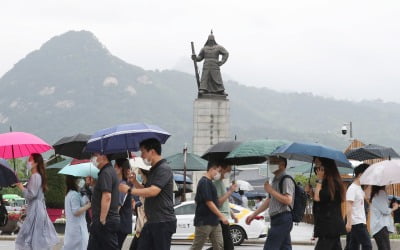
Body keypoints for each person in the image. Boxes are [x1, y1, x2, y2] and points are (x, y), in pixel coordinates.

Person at [120, 138, 176, 250]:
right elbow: (146, 190)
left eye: (143, 152)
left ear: (152, 151)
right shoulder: (154, 170)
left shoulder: (163, 169)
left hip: (162, 221)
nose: (142, 156)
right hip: (151, 221)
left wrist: (129, 190)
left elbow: (153, 191)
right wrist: (135, 182)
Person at [246, 156, 295, 250]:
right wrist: (253, 215)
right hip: (277, 219)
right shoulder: (276, 180)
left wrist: (271, 190)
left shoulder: (286, 180)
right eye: (270, 162)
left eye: (275, 162)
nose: (271, 164)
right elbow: (269, 200)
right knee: (285, 248)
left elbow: (288, 200)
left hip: (283, 217)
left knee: (270, 247)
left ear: (283, 165)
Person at [15, 153, 59, 250]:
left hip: (35, 211)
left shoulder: (35, 176)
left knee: (29, 239)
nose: (28, 162)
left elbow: (31, 195)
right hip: (37, 209)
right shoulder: (37, 176)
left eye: (30, 160)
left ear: (36, 163)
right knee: (34, 239)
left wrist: (20, 186)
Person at [190, 161, 229, 250]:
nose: (218, 174)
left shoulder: (210, 183)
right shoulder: (204, 182)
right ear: (212, 169)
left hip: (214, 221)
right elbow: (209, 202)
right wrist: (222, 216)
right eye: (218, 171)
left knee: (219, 246)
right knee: (197, 246)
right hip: (204, 221)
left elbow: (197, 201)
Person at [87, 152, 120, 250]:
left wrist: (102, 219)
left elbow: (107, 196)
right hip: (103, 220)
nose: (93, 158)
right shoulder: (107, 172)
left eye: (95, 156)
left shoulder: (106, 172)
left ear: (103, 157)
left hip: (105, 220)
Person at [312, 157, 346, 250]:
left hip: (329, 227)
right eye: (315, 164)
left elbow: (318, 198)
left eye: (318, 164)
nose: (316, 167)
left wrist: (319, 180)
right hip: (329, 227)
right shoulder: (327, 183)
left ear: (326, 166)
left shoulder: (333, 184)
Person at [208, 163, 238, 250]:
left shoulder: (221, 183)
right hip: (220, 219)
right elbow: (217, 203)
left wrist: (233, 215)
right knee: (227, 247)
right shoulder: (216, 183)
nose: (229, 172)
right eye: (228, 170)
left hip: (223, 219)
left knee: (221, 246)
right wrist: (230, 191)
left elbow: (225, 203)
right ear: (222, 169)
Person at [192, 31, 229, 95]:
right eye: (210, 40)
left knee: (217, 78)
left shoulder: (218, 47)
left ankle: (220, 90)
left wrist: (222, 61)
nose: (211, 41)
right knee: (205, 77)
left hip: (215, 65)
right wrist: (195, 58)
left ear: (214, 40)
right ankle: (203, 89)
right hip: (206, 65)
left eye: (212, 40)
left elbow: (226, 53)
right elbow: (200, 57)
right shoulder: (204, 48)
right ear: (208, 40)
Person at [346, 163, 372, 250]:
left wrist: (369, 185)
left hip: (359, 222)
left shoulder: (359, 188)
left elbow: (368, 198)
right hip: (357, 222)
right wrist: (349, 223)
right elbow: (349, 205)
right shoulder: (352, 188)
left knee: (353, 246)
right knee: (367, 245)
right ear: (360, 175)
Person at [63, 175, 91, 250]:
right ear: (74, 181)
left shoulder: (70, 194)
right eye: (79, 178)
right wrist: (88, 205)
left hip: (72, 228)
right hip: (77, 229)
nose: (81, 180)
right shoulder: (74, 194)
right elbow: (76, 211)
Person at [129, 159, 151, 250]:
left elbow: (143, 191)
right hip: (141, 228)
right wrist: (134, 181)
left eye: (141, 173)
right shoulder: (145, 185)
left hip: (146, 228)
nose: (140, 175)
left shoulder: (152, 187)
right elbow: (141, 189)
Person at [370, 185, 399, 250]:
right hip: (381, 227)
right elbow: (385, 211)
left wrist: (390, 205)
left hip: (378, 228)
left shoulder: (377, 194)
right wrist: (394, 208)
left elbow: (382, 208)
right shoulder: (381, 193)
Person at [114, 158, 133, 249]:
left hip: (120, 225)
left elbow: (117, 207)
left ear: (120, 168)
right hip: (121, 224)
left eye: (115, 166)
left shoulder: (122, 185)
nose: (113, 169)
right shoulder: (120, 184)